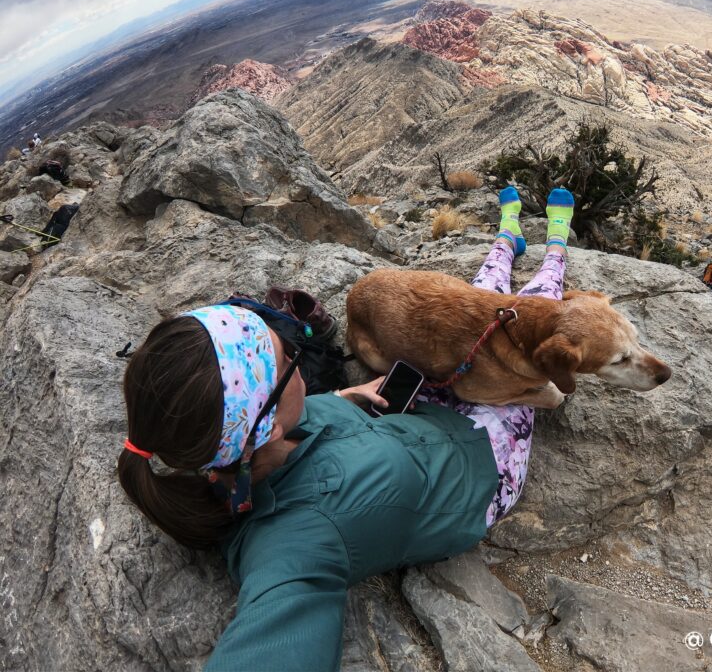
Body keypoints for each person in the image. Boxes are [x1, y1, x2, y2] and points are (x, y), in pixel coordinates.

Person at [117, 185, 576, 671]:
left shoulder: (242, 445)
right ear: (265, 426)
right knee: (538, 324)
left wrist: (341, 398)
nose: (298, 357)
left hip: (405, 419)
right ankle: (554, 249)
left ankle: (507, 243)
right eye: (289, 360)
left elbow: (293, 416)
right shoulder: (294, 549)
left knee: (477, 315)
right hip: (479, 462)